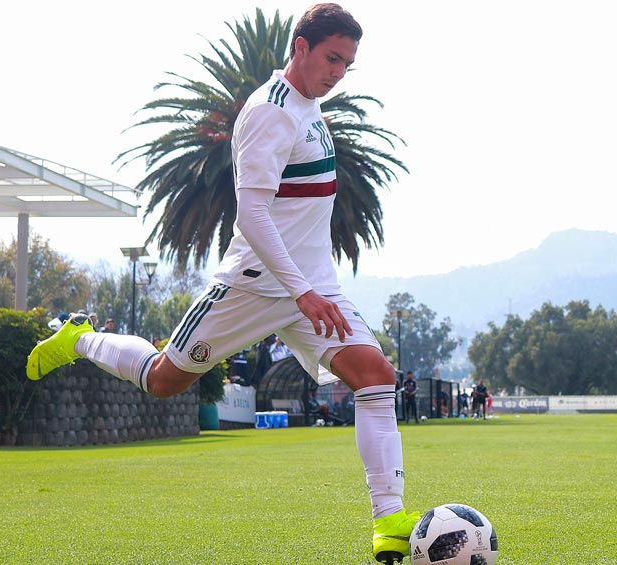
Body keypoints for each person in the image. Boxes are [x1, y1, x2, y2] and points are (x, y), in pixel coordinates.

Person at [25, 6, 417, 563]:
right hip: (251, 288)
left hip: (314, 290)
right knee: (163, 379)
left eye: (348, 65)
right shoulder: (268, 114)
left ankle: (390, 522)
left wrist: (313, 289)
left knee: (376, 378)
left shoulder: (312, 111)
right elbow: (252, 217)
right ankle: (80, 339)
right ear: (300, 47)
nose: (338, 73)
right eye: (332, 58)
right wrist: (300, 291)